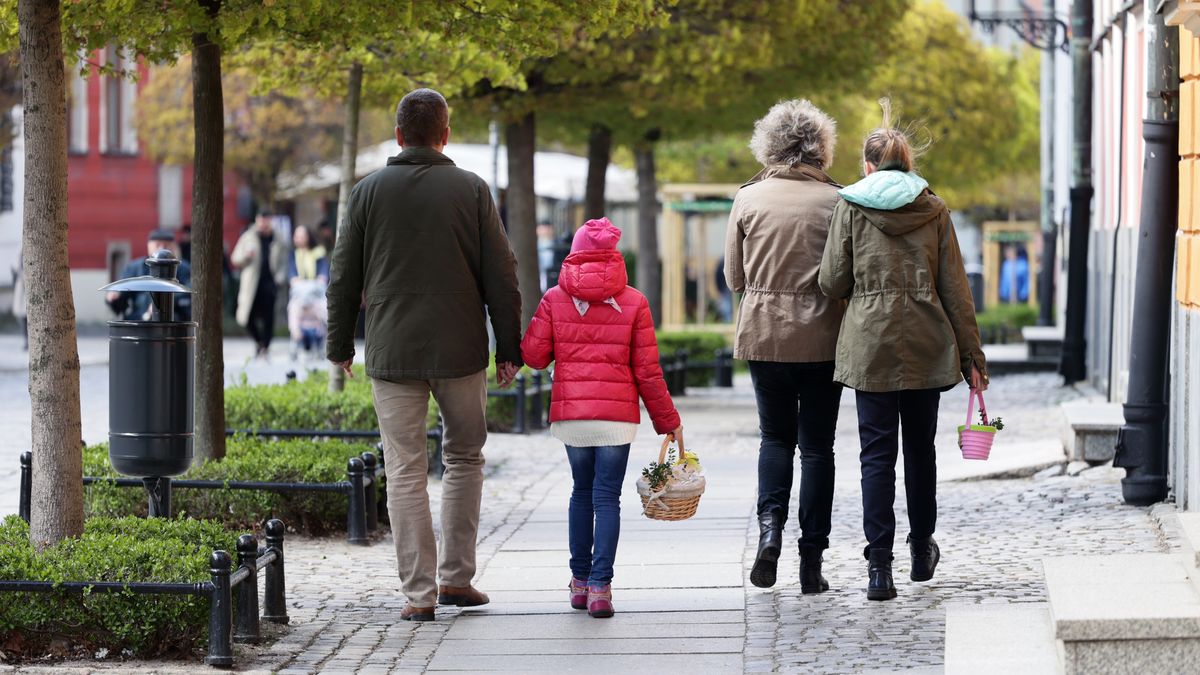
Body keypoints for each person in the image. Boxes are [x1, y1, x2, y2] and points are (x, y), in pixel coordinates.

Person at [326, 88, 523, 623]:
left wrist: (339, 344)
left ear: (397, 135)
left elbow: (342, 276)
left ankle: (419, 592)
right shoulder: (471, 189)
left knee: (405, 468)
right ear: (445, 135)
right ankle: (457, 578)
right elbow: (501, 275)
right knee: (464, 457)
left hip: (392, 350)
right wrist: (510, 348)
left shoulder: (366, 192)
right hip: (460, 347)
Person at [819, 99, 987, 601]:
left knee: (876, 455)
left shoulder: (850, 206)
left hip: (870, 347)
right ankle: (921, 547)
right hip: (926, 342)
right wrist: (972, 358)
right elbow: (956, 289)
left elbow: (831, 281)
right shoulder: (934, 209)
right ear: (907, 163)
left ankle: (878, 568)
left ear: (867, 166)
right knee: (920, 450)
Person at [521, 217, 683, 619]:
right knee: (607, 497)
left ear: (573, 253)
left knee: (581, 492)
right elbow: (647, 371)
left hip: (573, 416)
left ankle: (578, 583)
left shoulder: (555, 298)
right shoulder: (634, 301)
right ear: (615, 256)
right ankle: (600, 587)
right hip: (616, 418)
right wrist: (668, 420)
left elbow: (534, 356)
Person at [724, 99, 847, 593]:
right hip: (824, 338)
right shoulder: (839, 201)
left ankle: (770, 530)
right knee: (818, 447)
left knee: (775, 438)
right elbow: (846, 277)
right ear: (821, 146)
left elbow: (734, 277)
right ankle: (811, 562)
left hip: (764, 333)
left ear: (769, 143)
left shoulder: (748, 198)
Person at [231, 213, 288, 359]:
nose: (264, 223)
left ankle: (265, 347)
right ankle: (259, 342)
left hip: (270, 284)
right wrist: (246, 256)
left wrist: (279, 278)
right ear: (257, 220)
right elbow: (235, 259)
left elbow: (284, 262)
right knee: (247, 317)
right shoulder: (248, 237)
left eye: (267, 220)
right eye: (261, 220)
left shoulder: (278, 238)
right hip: (251, 284)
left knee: (269, 318)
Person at [106, 229, 192, 321]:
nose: (162, 248)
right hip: (140, 319)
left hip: (171, 320)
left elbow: (187, 292)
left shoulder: (183, 268)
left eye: (166, 245)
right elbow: (123, 293)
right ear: (149, 246)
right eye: (158, 245)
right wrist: (115, 296)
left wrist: (162, 304)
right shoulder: (135, 267)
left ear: (174, 247)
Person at [286, 225, 329, 359]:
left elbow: (323, 280)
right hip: (299, 299)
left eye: (301, 236)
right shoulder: (293, 256)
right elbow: (293, 281)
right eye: (296, 236)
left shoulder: (319, 254)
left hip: (316, 298)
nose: (298, 239)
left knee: (325, 311)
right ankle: (297, 338)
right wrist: (311, 283)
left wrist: (303, 283)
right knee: (293, 309)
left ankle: (323, 342)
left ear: (308, 237)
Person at [11, 248, 26, 351]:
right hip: (21, 295)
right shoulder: (19, 271)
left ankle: (28, 341)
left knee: (27, 320)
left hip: (26, 296)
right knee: (23, 320)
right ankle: (26, 340)